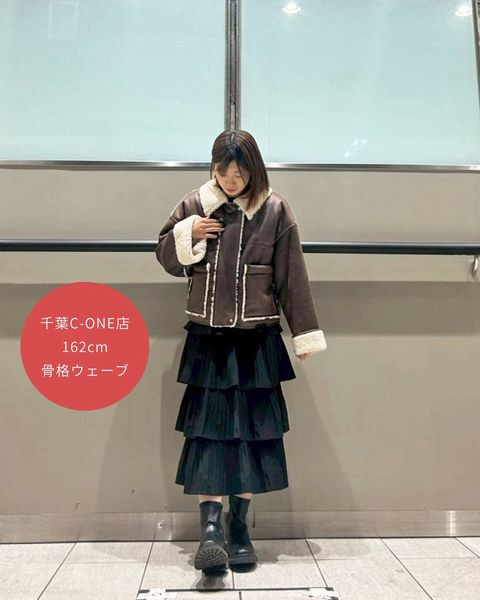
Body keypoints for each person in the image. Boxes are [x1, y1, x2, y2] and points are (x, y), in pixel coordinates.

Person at [155, 129, 327, 574]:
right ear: (213, 167)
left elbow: (292, 277)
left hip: (256, 343)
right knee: (208, 436)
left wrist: (304, 332)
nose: (231, 179)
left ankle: (239, 528)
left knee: (252, 436)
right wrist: (188, 232)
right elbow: (166, 258)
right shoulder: (194, 204)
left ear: (254, 169)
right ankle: (210, 530)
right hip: (208, 342)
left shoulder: (275, 209)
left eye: (240, 171)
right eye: (224, 170)